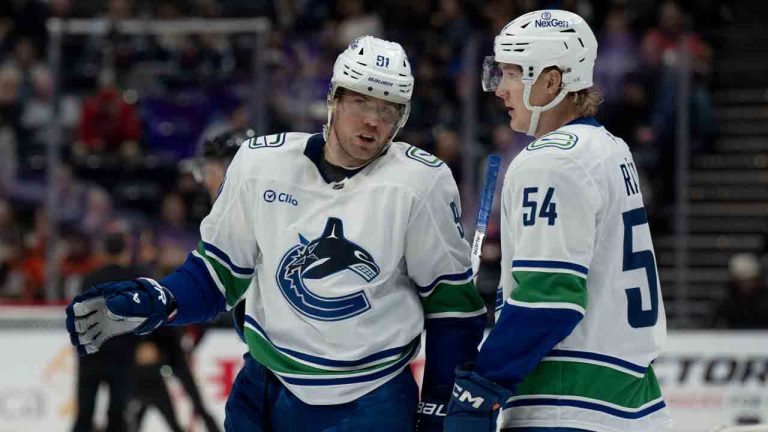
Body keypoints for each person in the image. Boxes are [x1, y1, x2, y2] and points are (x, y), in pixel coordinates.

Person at [66, 35, 487, 431]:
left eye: (389, 109)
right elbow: (217, 275)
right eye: (361, 101)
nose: (373, 121)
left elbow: (453, 309)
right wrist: (157, 301)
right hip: (268, 387)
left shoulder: (421, 183)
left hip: (373, 397)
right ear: (333, 99)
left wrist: (441, 406)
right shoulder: (259, 165)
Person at [443, 10, 672, 432]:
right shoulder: (608, 147)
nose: (499, 89)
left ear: (550, 82)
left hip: (568, 404)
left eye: (510, 74)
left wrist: (480, 386)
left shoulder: (552, 160)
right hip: (630, 401)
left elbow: (549, 300)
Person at [72, 232, 139, 432]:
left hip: (92, 354)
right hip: (122, 356)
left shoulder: (90, 279)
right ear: (124, 253)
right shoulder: (133, 280)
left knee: (85, 413)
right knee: (117, 414)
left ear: (104, 252)